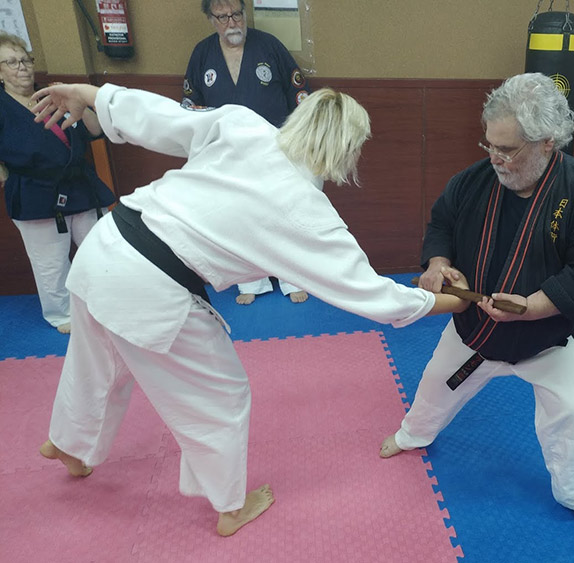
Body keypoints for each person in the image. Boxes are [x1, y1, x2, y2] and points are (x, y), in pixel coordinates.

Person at [30, 82, 472, 537]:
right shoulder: (308, 212)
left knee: (98, 359)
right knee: (222, 393)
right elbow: (375, 296)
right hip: (148, 284)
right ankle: (230, 508)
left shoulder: (242, 124)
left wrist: (91, 94)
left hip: (104, 245)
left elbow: (160, 118)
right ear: (348, 148)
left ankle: (68, 444)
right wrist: (456, 303)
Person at [379, 73, 574, 545]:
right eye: (489, 145)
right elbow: (441, 224)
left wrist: (531, 307)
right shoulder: (473, 181)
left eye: (507, 150)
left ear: (547, 142)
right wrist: (439, 264)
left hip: (545, 341)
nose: (495, 158)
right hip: (475, 334)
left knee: (572, 415)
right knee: (434, 387)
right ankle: (413, 436)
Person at [184, 0, 312, 305]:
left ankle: (291, 278)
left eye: (236, 14)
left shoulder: (270, 47)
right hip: (226, 152)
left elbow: (299, 93)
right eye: (222, 17)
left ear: (245, 13)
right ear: (211, 19)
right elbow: (190, 104)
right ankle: (251, 282)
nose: (231, 22)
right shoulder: (202, 54)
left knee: (282, 215)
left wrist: (300, 136)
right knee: (238, 218)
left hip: (274, 148)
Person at [0, 33, 114, 333]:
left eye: (26, 60)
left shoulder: (51, 94)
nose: (22, 67)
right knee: (50, 262)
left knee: (102, 248)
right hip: (35, 192)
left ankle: (107, 303)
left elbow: (95, 131)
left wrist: (80, 103)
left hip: (80, 185)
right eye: (12, 62)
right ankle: (61, 313)